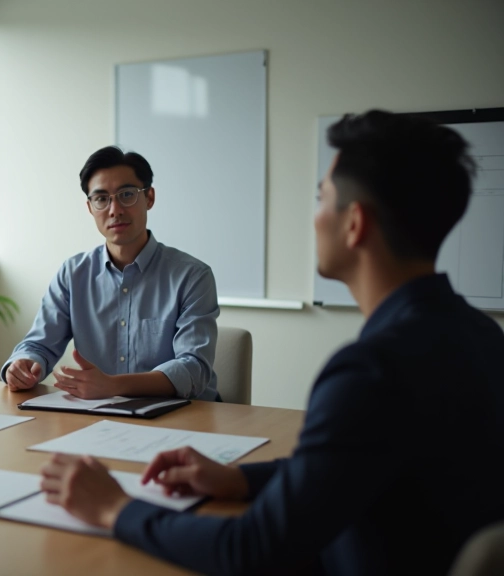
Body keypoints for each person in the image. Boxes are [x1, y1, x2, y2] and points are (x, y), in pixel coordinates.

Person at [39, 110, 504, 575]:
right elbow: (351, 466)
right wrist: (239, 477)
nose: (314, 215)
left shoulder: (370, 373)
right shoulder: (482, 335)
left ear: (354, 223)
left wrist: (115, 509)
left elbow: (250, 548)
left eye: (321, 198)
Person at [1, 146, 219, 400]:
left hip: (185, 417)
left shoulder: (192, 276)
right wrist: (23, 364)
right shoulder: (73, 274)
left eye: (127, 194)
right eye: (102, 199)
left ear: (149, 197)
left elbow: (194, 368)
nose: (114, 209)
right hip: (101, 418)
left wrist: (114, 386)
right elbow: (38, 344)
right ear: (90, 207)